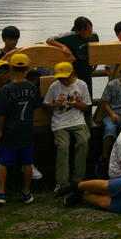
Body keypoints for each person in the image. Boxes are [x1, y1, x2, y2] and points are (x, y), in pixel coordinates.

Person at [0, 53, 40, 205]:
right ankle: (27, 192)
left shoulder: (7, 89)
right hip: (27, 130)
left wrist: (0, 131)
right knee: (27, 162)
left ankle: (1, 193)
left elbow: (2, 113)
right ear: (27, 69)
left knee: (4, 162)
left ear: (11, 68)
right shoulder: (32, 87)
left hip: (10, 130)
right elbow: (35, 106)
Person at [42, 61, 91, 196]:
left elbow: (86, 106)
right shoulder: (54, 86)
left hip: (77, 121)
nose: (63, 81)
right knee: (62, 146)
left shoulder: (81, 85)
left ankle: (78, 180)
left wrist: (76, 104)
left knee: (83, 141)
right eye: (60, 78)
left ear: (72, 73)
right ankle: (62, 184)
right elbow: (46, 104)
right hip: (60, 123)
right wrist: (55, 105)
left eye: (65, 78)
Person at [46, 16, 99, 95]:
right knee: (73, 92)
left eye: (91, 29)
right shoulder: (69, 36)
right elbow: (49, 40)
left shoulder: (94, 36)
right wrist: (63, 47)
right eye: (88, 30)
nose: (91, 32)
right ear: (78, 31)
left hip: (86, 67)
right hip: (72, 69)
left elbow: (96, 49)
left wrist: (96, 62)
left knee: (87, 91)